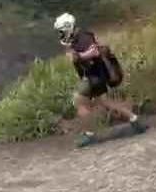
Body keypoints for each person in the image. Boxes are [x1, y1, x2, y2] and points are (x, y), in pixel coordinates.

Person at [53, 12, 145, 147]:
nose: (60, 34)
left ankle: (88, 134)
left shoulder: (82, 38)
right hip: (97, 76)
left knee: (79, 101)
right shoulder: (81, 36)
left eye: (61, 31)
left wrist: (79, 57)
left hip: (94, 77)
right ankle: (134, 119)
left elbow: (94, 51)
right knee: (104, 102)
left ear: (68, 27)